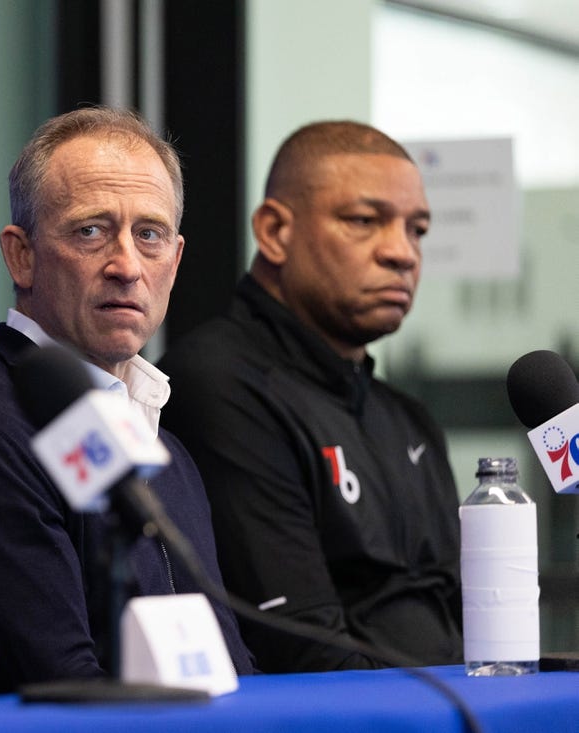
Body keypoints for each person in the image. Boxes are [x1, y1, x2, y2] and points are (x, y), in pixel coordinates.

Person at [0, 107, 255, 694]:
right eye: (90, 230)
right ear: (22, 256)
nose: (126, 267)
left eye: (149, 235)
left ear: (174, 260)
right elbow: (60, 686)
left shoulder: (161, 445)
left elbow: (231, 668)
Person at [157, 120, 462, 673]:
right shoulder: (216, 384)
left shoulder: (409, 420)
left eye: (417, 230)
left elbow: (472, 623)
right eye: (365, 221)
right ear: (275, 232)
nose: (403, 253)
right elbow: (302, 649)